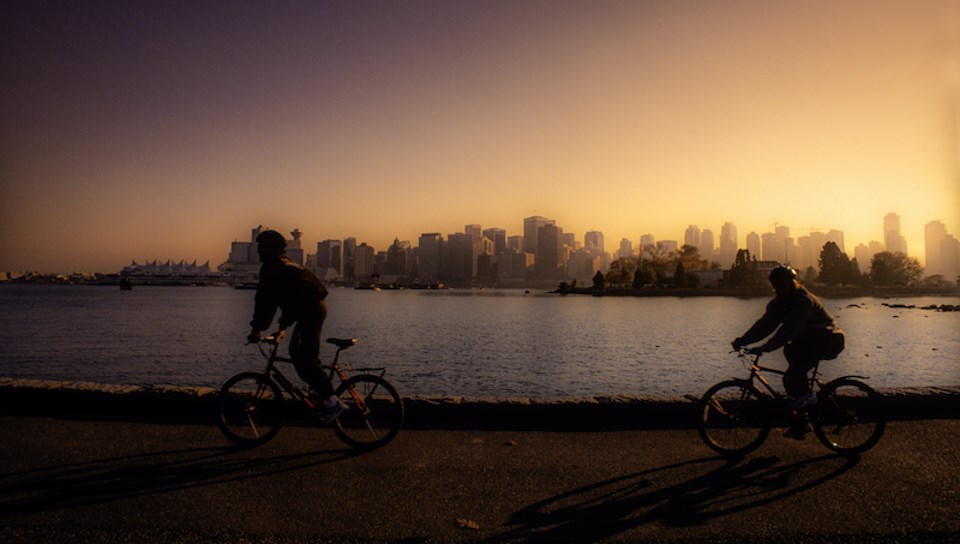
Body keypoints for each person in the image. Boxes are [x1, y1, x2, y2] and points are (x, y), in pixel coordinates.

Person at [731, 265, 845, 439]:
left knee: (793, 374)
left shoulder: (803, 301)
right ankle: (801, 420)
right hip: (807, 340)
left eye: (782, 284)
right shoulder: (779, 302)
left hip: (827, 340)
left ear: (792, 282)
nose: (779, 288)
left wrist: (766, 347)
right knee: (792, 368)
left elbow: (789, 330)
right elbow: (765, 325)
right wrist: (743, 340)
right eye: (776, 285)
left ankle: (807, 402)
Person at [247, 229, 344, 424]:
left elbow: (265, 302)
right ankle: (321, 393)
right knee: (299, 354)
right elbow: (291, 299)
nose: (258, 251)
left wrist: (257, 329)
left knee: (305, 358)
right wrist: (282, 327)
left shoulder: (272, 267)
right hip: (310, 308)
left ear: (269, 249)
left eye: (261, 247)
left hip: (310, 311)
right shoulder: (287, 264)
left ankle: (333, 402)